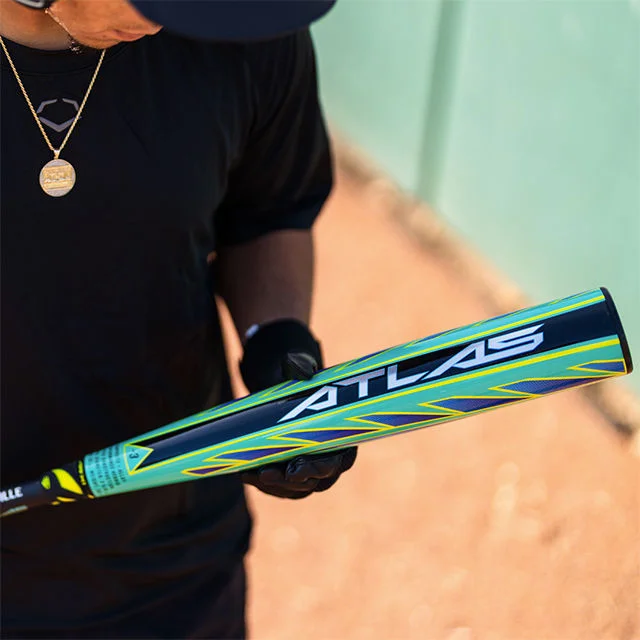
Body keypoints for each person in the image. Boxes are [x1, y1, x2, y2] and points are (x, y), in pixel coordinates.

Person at [0, 0, 358, 637]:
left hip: (172, 569)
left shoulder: (239, 23)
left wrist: (279, 348)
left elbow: (268, 212)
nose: (171, 19)